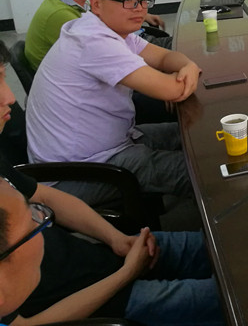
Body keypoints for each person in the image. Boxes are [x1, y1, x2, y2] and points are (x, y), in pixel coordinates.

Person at [0, 43, 223, 326]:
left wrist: (116, 239)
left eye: (3, 78)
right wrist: (126, 274)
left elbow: (46, 196)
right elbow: (23, 325)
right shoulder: (91, 41)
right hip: (105, 302)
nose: (10, 97)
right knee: (240, 297)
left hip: (100, 259)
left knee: (226, 245)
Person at [26, 0, 201, 205]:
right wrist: (187, 70)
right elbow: (172, 89)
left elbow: (164, 57)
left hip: (112, 143)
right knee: (203, 173)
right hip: (80, 171)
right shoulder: (93, 41)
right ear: (96, 4)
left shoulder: (110, 30)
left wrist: (188, 65)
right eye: (127, 1)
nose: (139, 9)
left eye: (143, 1)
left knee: (193, 133)